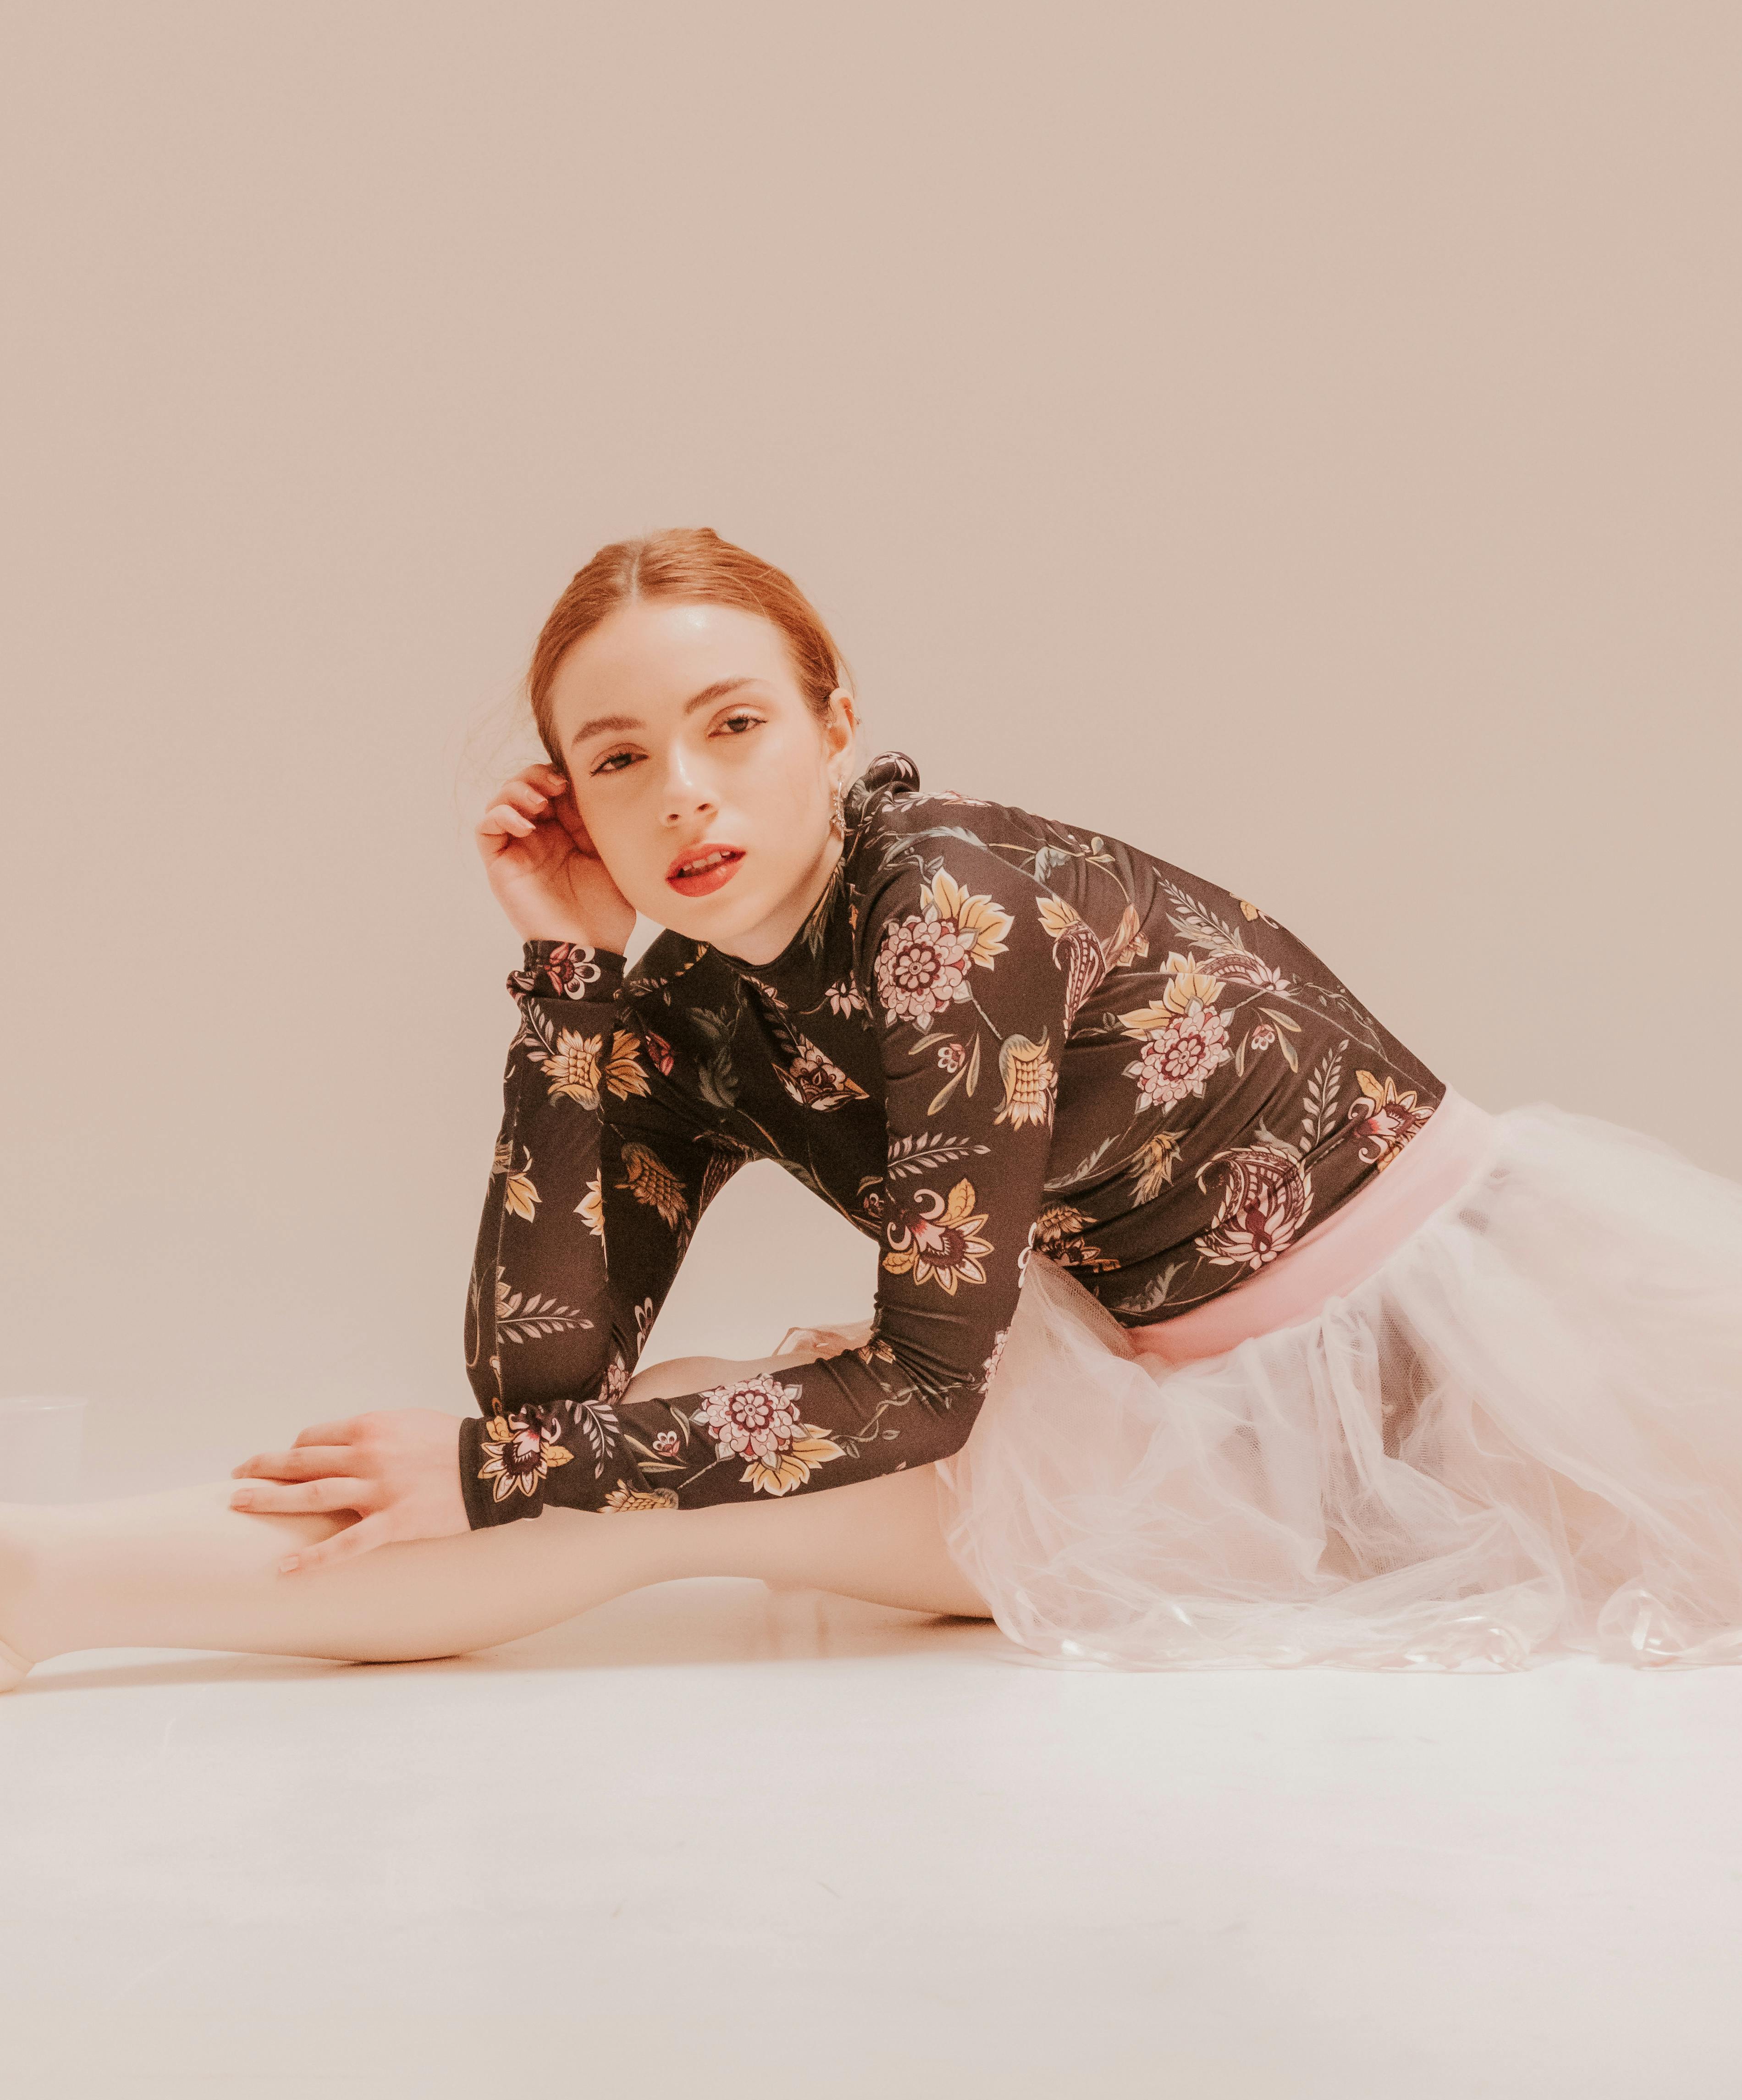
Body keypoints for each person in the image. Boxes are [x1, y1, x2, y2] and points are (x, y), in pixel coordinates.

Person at [5, 529, 1740, 1692]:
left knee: (620, 1489)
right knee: (628, 1443)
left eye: (732, 723)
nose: (680, 791)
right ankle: (43, 1584)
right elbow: (539, 1379)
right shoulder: (689, 999)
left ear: (836, 726)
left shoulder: (943, 908)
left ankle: (38, 1592)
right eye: (616, 759)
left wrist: (500, 1469)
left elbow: (916, 1387)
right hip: (1177, 1402)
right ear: (575, 810)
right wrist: (568, 991)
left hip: (1425, 1415)